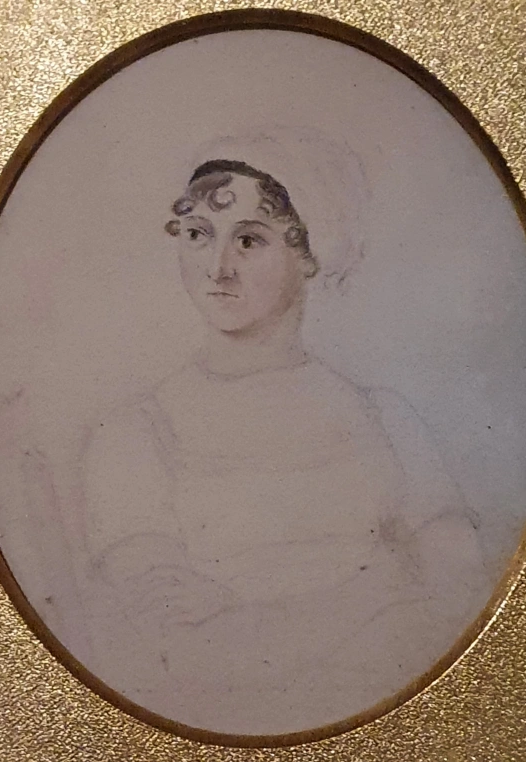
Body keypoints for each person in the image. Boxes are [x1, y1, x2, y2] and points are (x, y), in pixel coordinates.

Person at [80, 130, 491, 736]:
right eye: (198, 235)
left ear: (311, 253)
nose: (217, 268)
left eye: (249, 240)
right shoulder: (133, 437)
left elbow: (458, 611)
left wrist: (262, 619)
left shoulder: (387, 422)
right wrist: (385, 587)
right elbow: (189, 658)